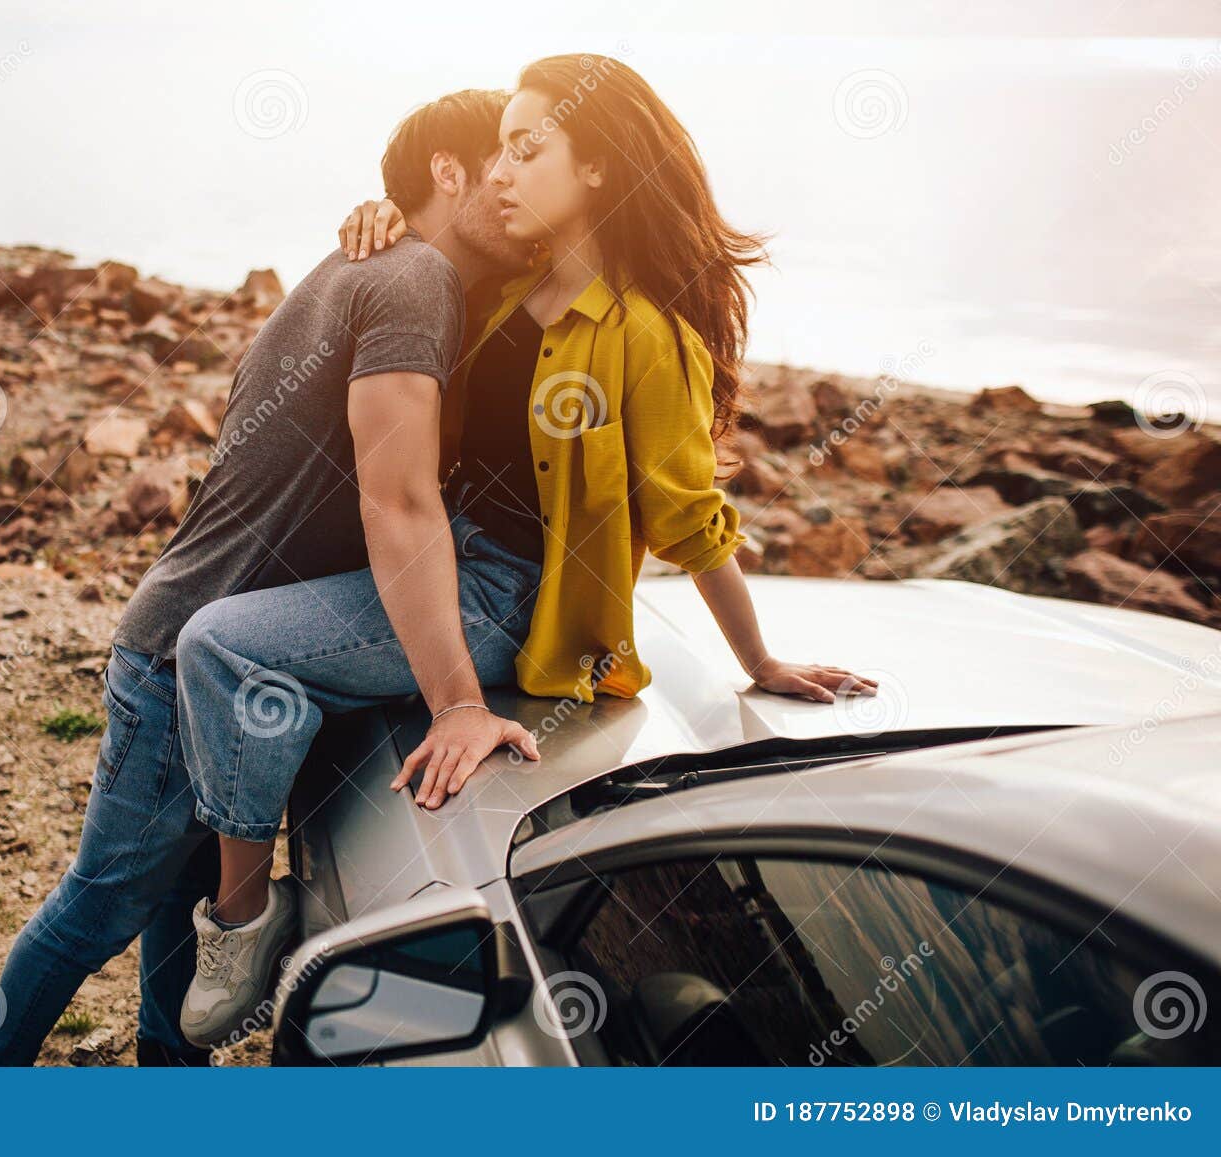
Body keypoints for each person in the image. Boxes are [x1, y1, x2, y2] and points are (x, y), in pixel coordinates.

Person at [173, 53, 878, 1043]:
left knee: (220, 642)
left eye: (524, 148)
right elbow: (419, 287)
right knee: (231, 639)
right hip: (447, 554)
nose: (496, 171)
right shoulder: (507, 292)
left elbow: (686, 515)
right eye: (496, 149)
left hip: (514, 598)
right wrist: (381, 216)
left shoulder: (647, 336)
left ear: (594, 169)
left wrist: (758, 661)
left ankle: (241, 925)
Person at [0, 89, 536, 1065]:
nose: (521, 189)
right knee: (103, 901)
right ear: (450, 172)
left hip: (194, 632)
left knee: (171, 917)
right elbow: (394, 501)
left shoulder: (374, 263)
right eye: (507, 161)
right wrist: (459, 699)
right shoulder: (413, 278)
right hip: (192, 648)